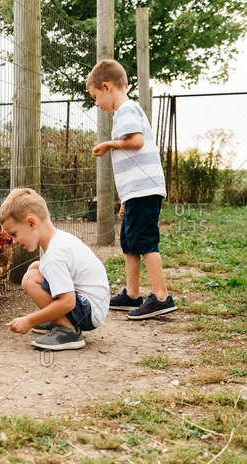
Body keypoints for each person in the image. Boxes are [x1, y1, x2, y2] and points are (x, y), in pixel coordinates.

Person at [86, 59, 177, 320]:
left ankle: (161, 297)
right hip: (136, 192)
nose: (96, 103)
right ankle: (132, 293)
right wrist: (126, 198)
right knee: (129, 242)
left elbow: (136, 141)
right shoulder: (125, 111)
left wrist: (108, 144)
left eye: (95, 96)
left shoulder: (126, 110)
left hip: (144, 190)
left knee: (144, 240)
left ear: (107, 86)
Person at [0, 188, 110, 350]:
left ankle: (68, 331)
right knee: (34, 268)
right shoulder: (59, 239)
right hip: (92, 305)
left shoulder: (54, 255)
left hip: (89, 311)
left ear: (31, 223)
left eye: (14, 234)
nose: (14, 241)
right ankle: (59, 321)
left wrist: (30, 320)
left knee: (30, 280)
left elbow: (68, 302)